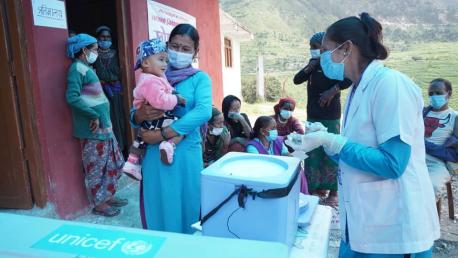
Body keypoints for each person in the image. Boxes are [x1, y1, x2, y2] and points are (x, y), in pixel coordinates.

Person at [286, 13, 439, 257]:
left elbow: (393, 163)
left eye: (326, 50)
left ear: (346, 48)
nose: (323, 58)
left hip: (394, 231)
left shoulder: (390, 85)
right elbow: (356, 154)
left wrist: (333, 141)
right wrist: (326, 141)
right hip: (362, 225)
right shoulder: (358, 89)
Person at [131, 24, 212, 233]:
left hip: (185, 153)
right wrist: (139, 115)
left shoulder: (199, 79)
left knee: (188, 207)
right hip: (154, 154)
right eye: (175, 46)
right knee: (158, 207)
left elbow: (203, 111)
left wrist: (164, 133)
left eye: (186, 49)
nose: (179, 52)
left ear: (195, 52)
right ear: (166, 46)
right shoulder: (152, 75)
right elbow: (135, 113)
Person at [66, 34, 127, 217]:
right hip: (92, 130)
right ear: (84, 50)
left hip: (104, 127)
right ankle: (99, 204)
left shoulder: (85, 67)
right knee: (96, 167)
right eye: (93, 49)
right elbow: (72, 97)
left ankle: (107, 196)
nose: (96, 52)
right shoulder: (76, 68)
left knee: (112, 163)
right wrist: (93, 115)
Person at [294, 32, 353, 206]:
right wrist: (310, 66)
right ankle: (315, 189)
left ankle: (333, 193)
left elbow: (348, 79)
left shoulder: (335, 64)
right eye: (311, 47)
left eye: (316, 47)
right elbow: (297, 80)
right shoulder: (312, 65)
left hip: (330, 116)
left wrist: (333, 90)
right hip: (313, 116)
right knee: (313, 153)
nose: (313, 50)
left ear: (325, 48)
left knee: (331, 152)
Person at [122, 38, 186, 180]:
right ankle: (169, 145)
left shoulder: (156, 76)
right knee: (181, 128)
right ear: (145, 63)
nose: (165, 64)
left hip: (150, 121)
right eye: (161, 60)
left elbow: (167, 88)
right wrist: (177, 100)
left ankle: (132, 163)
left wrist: (175, 93)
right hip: (155, 118)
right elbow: (161, 101)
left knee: (140, 139)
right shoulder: (149, 80)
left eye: (166, 61)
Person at [93, 26, 128, 157]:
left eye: (108, 37)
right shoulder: (94, 55)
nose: (105, 40)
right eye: (102, 37)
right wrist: (106, 77)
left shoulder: (117, 54)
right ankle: (108, 152)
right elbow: (100, 73)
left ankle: (121, 149)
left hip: (116, 92)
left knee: (118, 120)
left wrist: (108, 77)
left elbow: (117, 72)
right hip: (101, 93)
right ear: (98, 39)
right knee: (105, 120)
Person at [423, 78, 457, 203]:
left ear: (449, 93)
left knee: (432, 186)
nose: (434, 96)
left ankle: (425, 219)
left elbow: (455, 150)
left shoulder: (454, 118)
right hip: (413, 157)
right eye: (431, 94)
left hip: (436, 162)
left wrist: (426, 146)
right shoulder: (421, 113)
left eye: (438, 92)